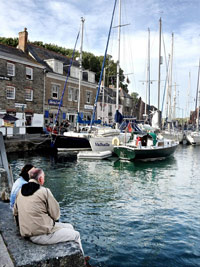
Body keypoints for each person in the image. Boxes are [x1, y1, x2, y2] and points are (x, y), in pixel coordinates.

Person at [13, 168, 92, 265]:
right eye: (44, 178)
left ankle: (81, 259)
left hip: (26, 232)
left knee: (70, 226)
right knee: (76, 235)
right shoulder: (44, 191)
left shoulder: (20, 191)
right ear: (41, 179)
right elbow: (56, 215)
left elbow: (15, 213)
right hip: (40, 235)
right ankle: (82, 262)